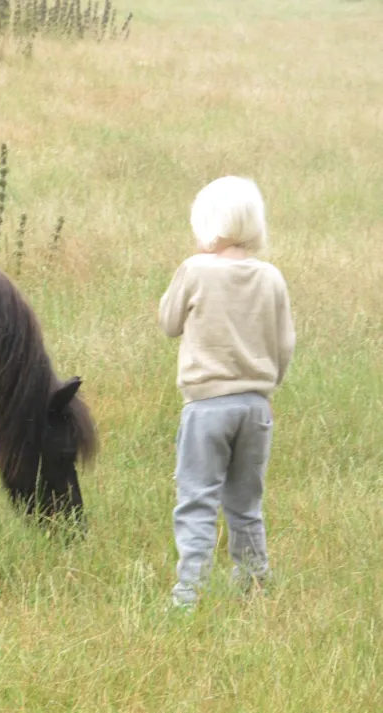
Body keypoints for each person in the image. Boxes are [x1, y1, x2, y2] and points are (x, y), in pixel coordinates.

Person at [159, 175, 296, 610]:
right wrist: (268, 386)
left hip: (206, 408)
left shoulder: (195, 270)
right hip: (256, 408)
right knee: (245, 503)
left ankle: (187, 595)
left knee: (197, 501)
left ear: (209, 226)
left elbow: (168, 322)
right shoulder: (271, 277)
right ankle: (255, 586)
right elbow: (284, 344)